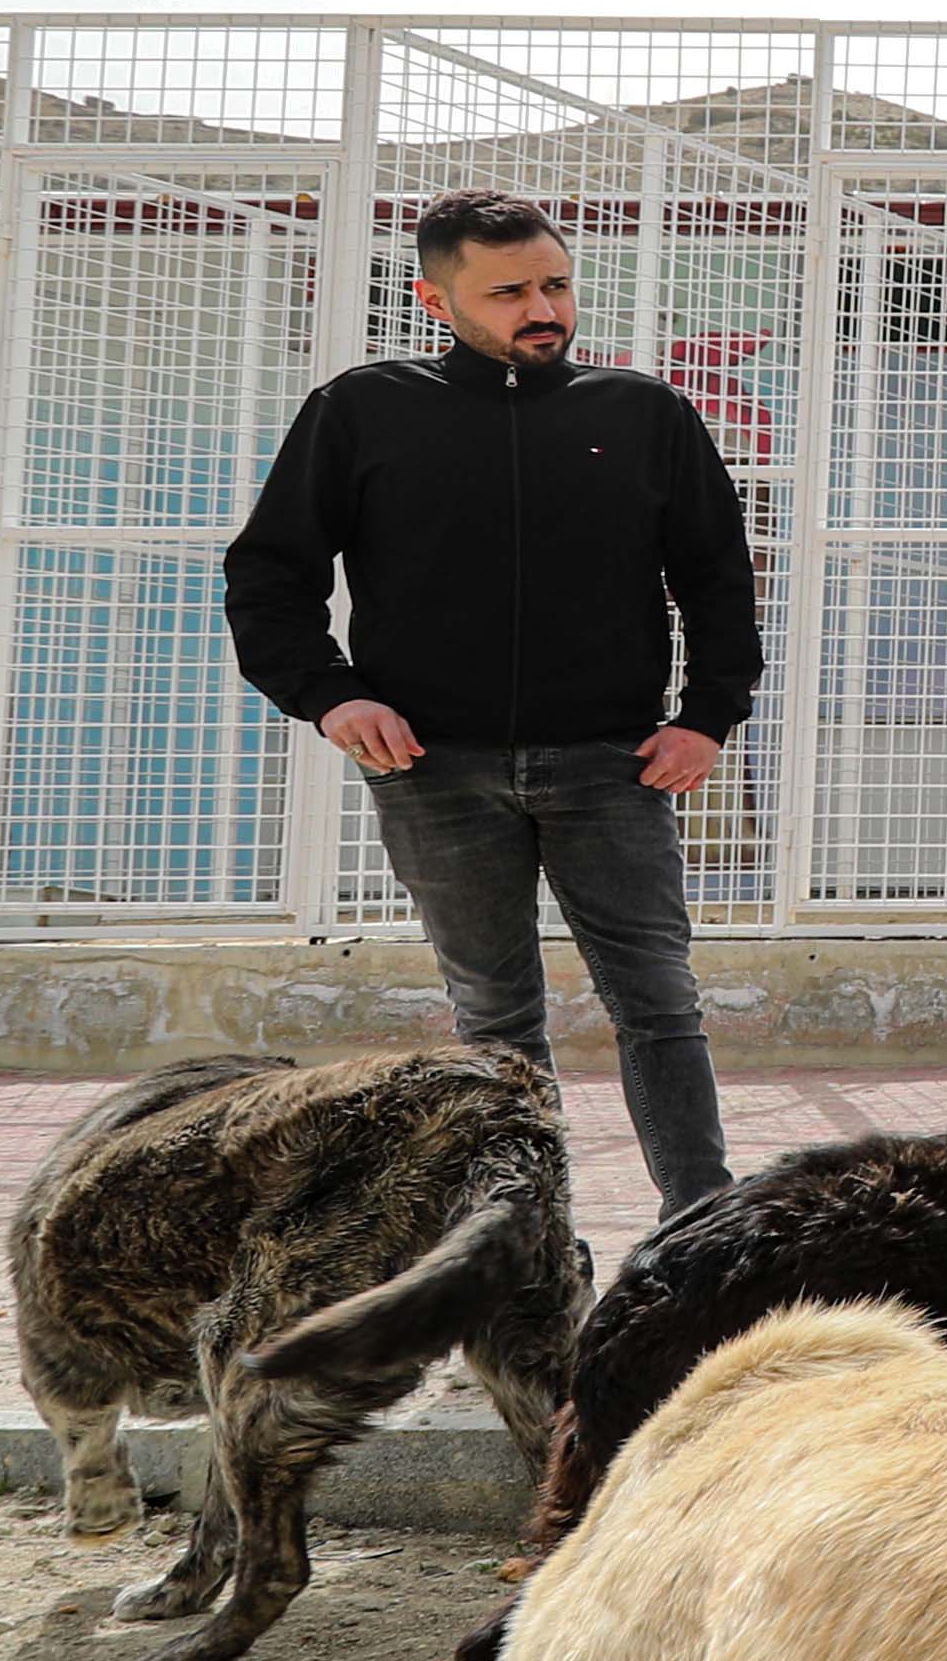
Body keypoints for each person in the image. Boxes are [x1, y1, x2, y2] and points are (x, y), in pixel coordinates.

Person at [224, 186, 760, 1214]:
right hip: (434, 770)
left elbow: (717, 577)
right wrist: (332, 699)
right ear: (437, 298)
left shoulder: (643, 415)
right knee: (495, 1021)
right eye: (509, 290)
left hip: (613, 765)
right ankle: (523, 1243)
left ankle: (704, 1230)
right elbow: (269, 576)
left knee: (657, 1005)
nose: (542, 307)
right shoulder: (361, 409)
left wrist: (707, 715)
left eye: (555, 284)